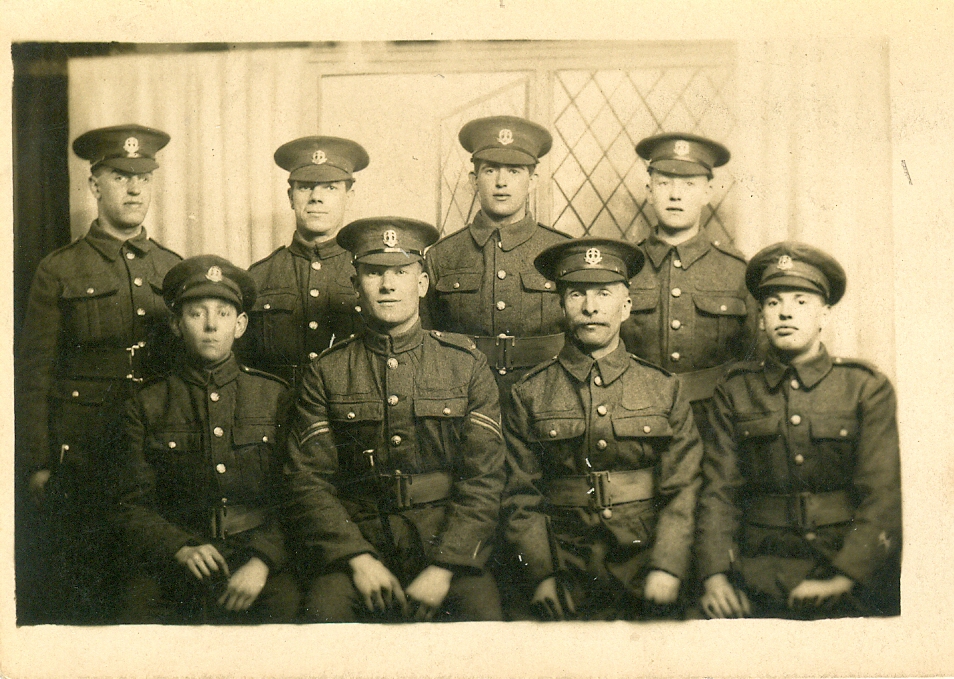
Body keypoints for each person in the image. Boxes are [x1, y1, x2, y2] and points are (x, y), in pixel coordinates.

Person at [284, 217, 506, 622]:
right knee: (321, 622)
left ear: (421, 284)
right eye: (373, 273)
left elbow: (485, 480)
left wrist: (444, 567)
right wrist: (358, 560)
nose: (388, 285)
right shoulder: (326, 372)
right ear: (356, 285)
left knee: (484, 624)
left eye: (401, 272)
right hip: (360, 544)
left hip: (447, 545)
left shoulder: (466, 364)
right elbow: (308, 482)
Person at [15, 124, 182, 623]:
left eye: (144, 178)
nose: (134, 190)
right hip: (81, 455)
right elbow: (34, 373)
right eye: (120, 177)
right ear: (94, 185)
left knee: (151, 589)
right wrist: (38, 461)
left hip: (154, 455)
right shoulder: (59, 269)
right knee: (82, 588)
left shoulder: (174, 268)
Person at [696, 242, 901, 619]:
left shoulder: (864, 386)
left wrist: (844, 576)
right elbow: (719, 491)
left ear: (824, 314)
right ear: (760, 318)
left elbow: (882, 495)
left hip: (843, 564)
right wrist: (716, 577)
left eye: (801, 301)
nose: (785, 312)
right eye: (773, 303)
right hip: (755, 570)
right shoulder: (736, 389)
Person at [504, 238, 703, 620]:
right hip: (563, 561)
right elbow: (519, 494)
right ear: (562, 304)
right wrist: (541, 573)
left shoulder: (663, 388)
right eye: (577, 293)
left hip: (645, 559)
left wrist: (667, 565)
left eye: (604, 294)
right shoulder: (528, 392)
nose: (591, 307)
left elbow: (683, 488)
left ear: (626, 306)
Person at [110, 255, 299, 623]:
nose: (211, 326)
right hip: (178, 551)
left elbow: (297, 495)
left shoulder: (275, 396)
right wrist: (178, 548)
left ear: (241, 324)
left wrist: (263, 562)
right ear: (177, 325)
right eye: (197, 314)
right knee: (134, 615)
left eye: (224, 314)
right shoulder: (147, 403)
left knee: (287, 613)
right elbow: (128, 502)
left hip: (257, 554)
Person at [424, 115, 571, 408]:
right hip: (463, 399)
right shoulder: (443, 255)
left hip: (547, 400)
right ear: (473, 180)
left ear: (533, 181)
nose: (501, 183)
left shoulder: (561, 251)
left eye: (515, 171)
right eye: (490, 170)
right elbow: (427, 343)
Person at [621, 132, 758, 408]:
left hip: (715, 418)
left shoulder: (737, 271)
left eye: (689, 184)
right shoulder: (624, 267)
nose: (675, 195)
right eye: (663, 183)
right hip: (634, 416)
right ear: (648, 191)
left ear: (707, 192)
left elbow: (754, 360)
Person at [239, 136, 370, 388]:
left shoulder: (370, 273)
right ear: (290, 197)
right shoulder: (258, 277)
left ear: (349, 197)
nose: (316, 198)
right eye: (305, 187)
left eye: (330, 187)